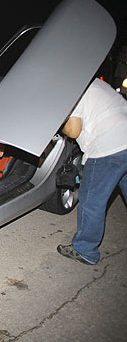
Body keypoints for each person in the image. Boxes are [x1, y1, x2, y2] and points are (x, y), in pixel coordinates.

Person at [57, 78, 127, 265]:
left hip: (108, 146)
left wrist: (57, 120)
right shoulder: (94, 81)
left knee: (91, 200)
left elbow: (73, 130)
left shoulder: (72, 86)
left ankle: (85, 250)